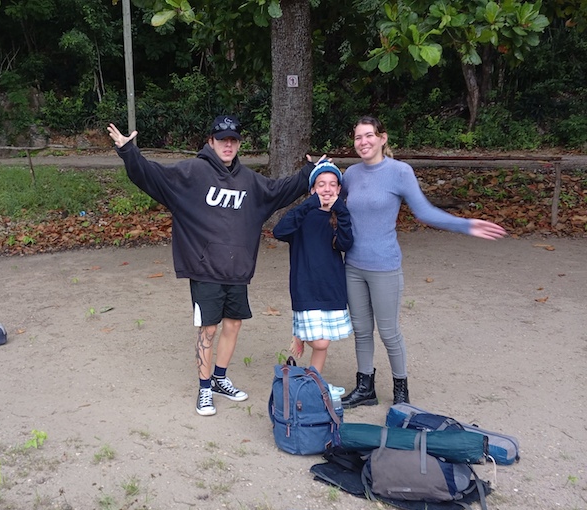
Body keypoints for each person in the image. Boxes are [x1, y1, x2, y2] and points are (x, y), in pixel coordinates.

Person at [107, 116, 316, 417]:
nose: (228, 145)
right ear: (210, 142)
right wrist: (129, 152)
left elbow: (279, 190)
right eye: (222, 139)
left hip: (237, 269)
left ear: (239, 144)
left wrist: (309, 171)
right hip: (205, 268)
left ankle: (219, 378)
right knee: (209, 329)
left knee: (233, 324)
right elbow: (152, 176)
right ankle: (204, 389)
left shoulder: (249, 181)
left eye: (233, 140)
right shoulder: (192, 173)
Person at [339, 116, 507, 409]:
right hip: (353, 265)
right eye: (357, 138)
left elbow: (425, 213)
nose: (363, 142)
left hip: (384, 266)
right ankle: (365, 387)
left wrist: (466, 225)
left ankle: (401, 389)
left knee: (389, 332)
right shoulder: (350, 174)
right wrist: (312, 172)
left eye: (368, 136)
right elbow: (331, 205)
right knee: (362, 330)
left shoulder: (399, 172)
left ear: (383, 138)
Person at [272, 160, 353, 395]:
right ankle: (301, 335)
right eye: (320, 184)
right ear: (312, 190)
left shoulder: (339, 217)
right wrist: (309, 205)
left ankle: (313, 386)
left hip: (331, 287)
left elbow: (347, 243)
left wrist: (342, 210)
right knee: (319, 342)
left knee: (323, 342)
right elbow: (279, 231)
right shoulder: (302, 216)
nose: (327, 189)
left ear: (339, 190)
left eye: (332, 185)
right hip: (305, 285)